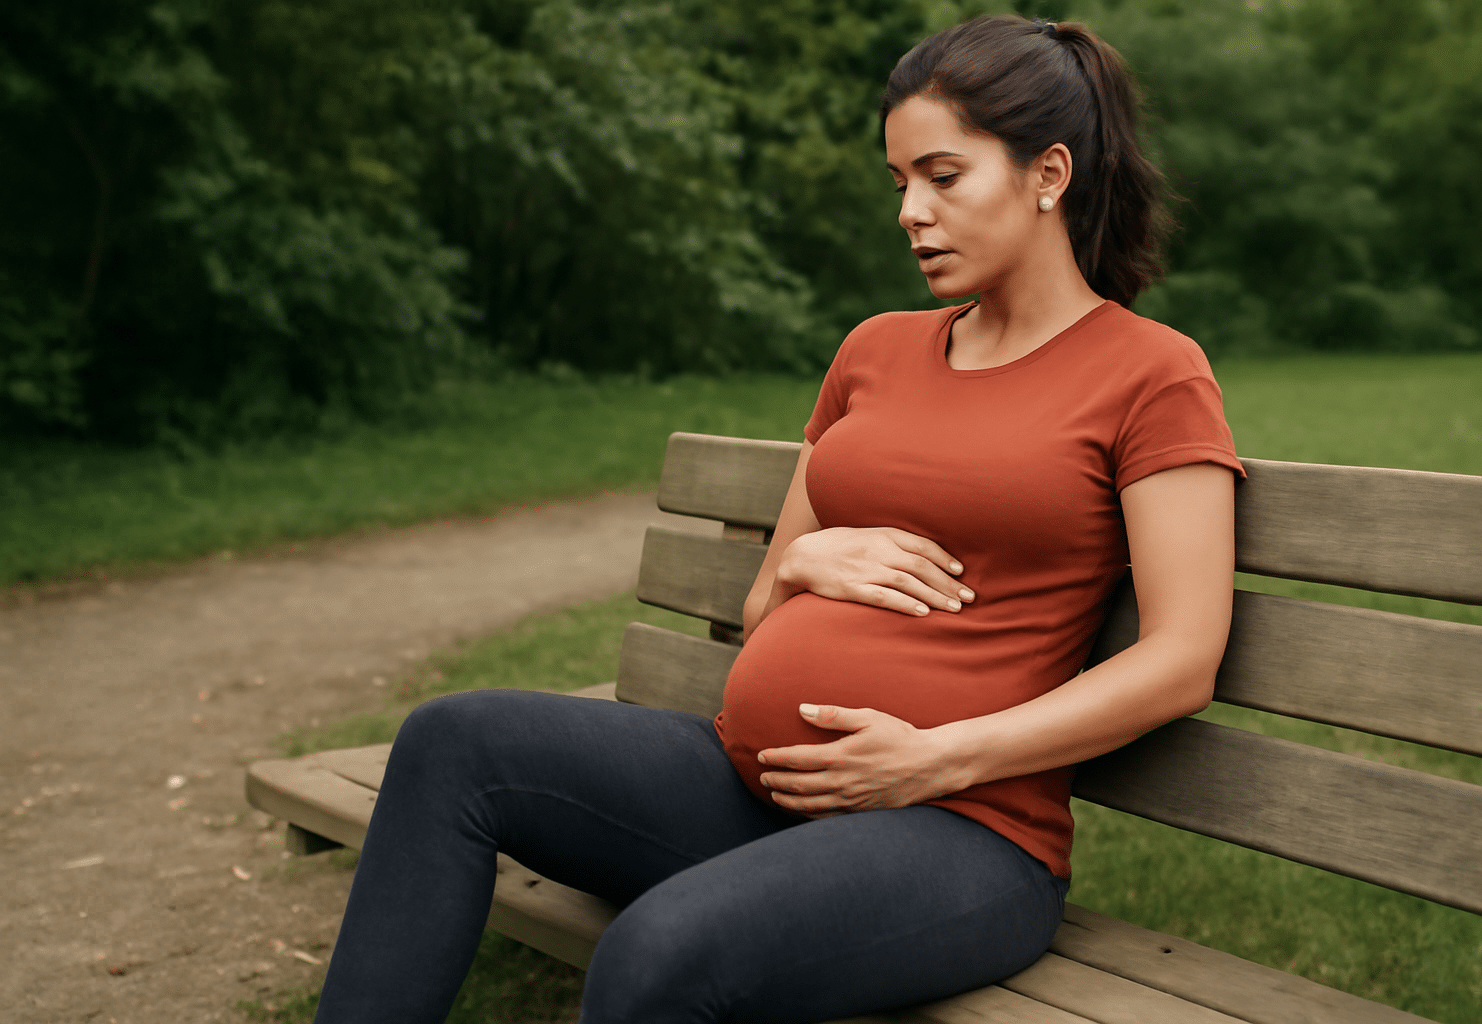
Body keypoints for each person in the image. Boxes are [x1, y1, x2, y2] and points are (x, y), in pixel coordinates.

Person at [313, 14, 1244, 1024]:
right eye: (899, 184)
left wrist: (939, 756)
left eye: (942, 175)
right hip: (749, 789)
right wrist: (809, 560)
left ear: (1048, 172)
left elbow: (1184, 656)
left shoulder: (1150, 373)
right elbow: (765, 604)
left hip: (960, 831)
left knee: (655, 955)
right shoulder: (875, 350)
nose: (910, 213)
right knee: (455, 742)